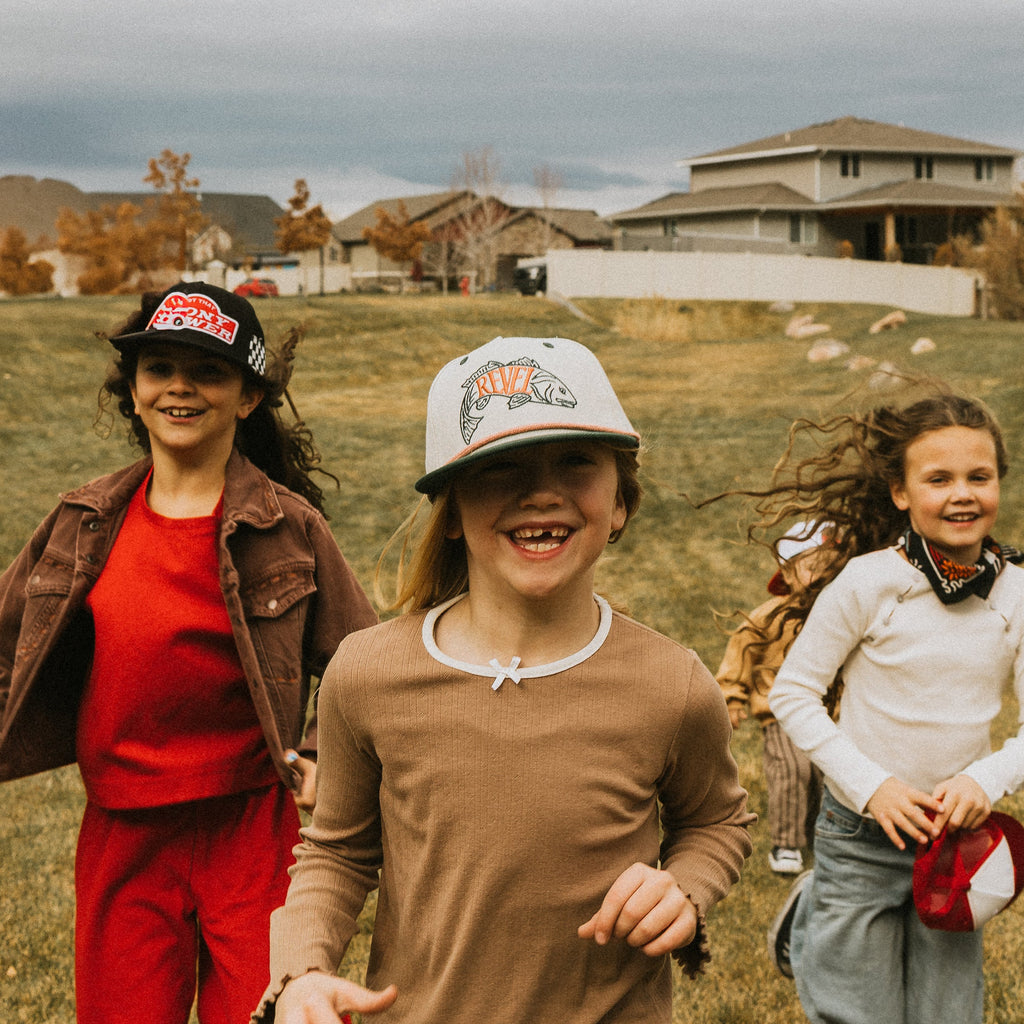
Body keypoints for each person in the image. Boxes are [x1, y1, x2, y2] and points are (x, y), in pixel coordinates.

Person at [253, 335, 754, 1024]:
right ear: (452, 510)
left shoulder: (670, 683)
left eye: (575, 461)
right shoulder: (368, 674)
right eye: (500, 467)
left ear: (622, 504)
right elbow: (336, 853)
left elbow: (716, 820)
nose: (540, 491)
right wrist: (301, 972)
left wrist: (684, 886)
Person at [0, 282, 377, 1024]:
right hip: (123, 835)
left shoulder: (286, 528)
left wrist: (322, 751)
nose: (179, 386)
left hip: (253, 832)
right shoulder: (83, 523)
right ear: (133, 394)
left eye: (207, 371)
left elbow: (364, 666)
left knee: (264, 1014)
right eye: (158, 368)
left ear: (247, 397)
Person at [745, 385, 1024, 1024]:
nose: (962, 493)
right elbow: (793, 693)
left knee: (947, 1013)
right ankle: (817, 914)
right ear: (901, 493)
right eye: (938, 478)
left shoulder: (1017, 596)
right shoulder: (871, 582)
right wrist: (872, 788)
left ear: (999, 484)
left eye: (979, 476)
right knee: (856, 1011)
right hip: (858, 834)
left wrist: (986, 778)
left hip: (955, 841)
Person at [715, 522, 827, 875]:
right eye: (813, 567)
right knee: (793, 769)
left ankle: (826, 839)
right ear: (788, 574)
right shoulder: (769, 616)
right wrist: (733, 696)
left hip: (828, 713)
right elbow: (741, 651)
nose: (822, 576)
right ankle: (787, 844)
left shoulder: (838, 612)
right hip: (781, 712)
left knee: (829, 772)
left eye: (831, 568)